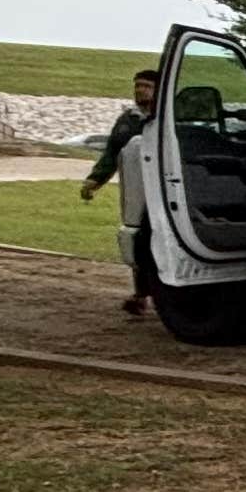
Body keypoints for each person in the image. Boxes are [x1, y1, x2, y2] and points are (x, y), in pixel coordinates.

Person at [79, 67, 161, 316]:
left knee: (159, 243)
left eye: (146, 86)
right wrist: (94, 180)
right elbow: (112, 154)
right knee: (136, 240)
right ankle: (141, 294)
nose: (140, 90)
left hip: (165, 195)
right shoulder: (127, 121)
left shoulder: (166, 118)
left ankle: (164, 295)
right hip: (136, 194)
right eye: (137, 85)